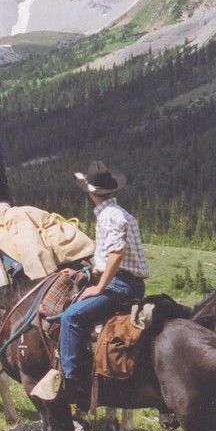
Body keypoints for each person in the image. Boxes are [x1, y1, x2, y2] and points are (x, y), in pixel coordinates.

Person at [57, 161, 149, 404]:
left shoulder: (110, 216)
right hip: (123, 280)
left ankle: (72, 383)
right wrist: (87, 271)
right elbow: (109, 256)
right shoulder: (119, 213)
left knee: (70, 318)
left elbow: (117, 254)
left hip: (121, 284)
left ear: (92, 193)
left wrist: (99, 287)